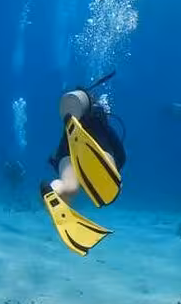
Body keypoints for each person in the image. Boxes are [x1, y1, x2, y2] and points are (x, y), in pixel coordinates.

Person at [41, 72, 127, 256]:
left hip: (66, 153)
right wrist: (118, 169)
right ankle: (102, 167)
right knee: (108, 170)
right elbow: (119, 149)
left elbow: (61, 148)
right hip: (94, 148)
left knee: (69, 187)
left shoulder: (71, 121)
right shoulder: (99, 118)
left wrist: (56, 162)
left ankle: (53, 189)